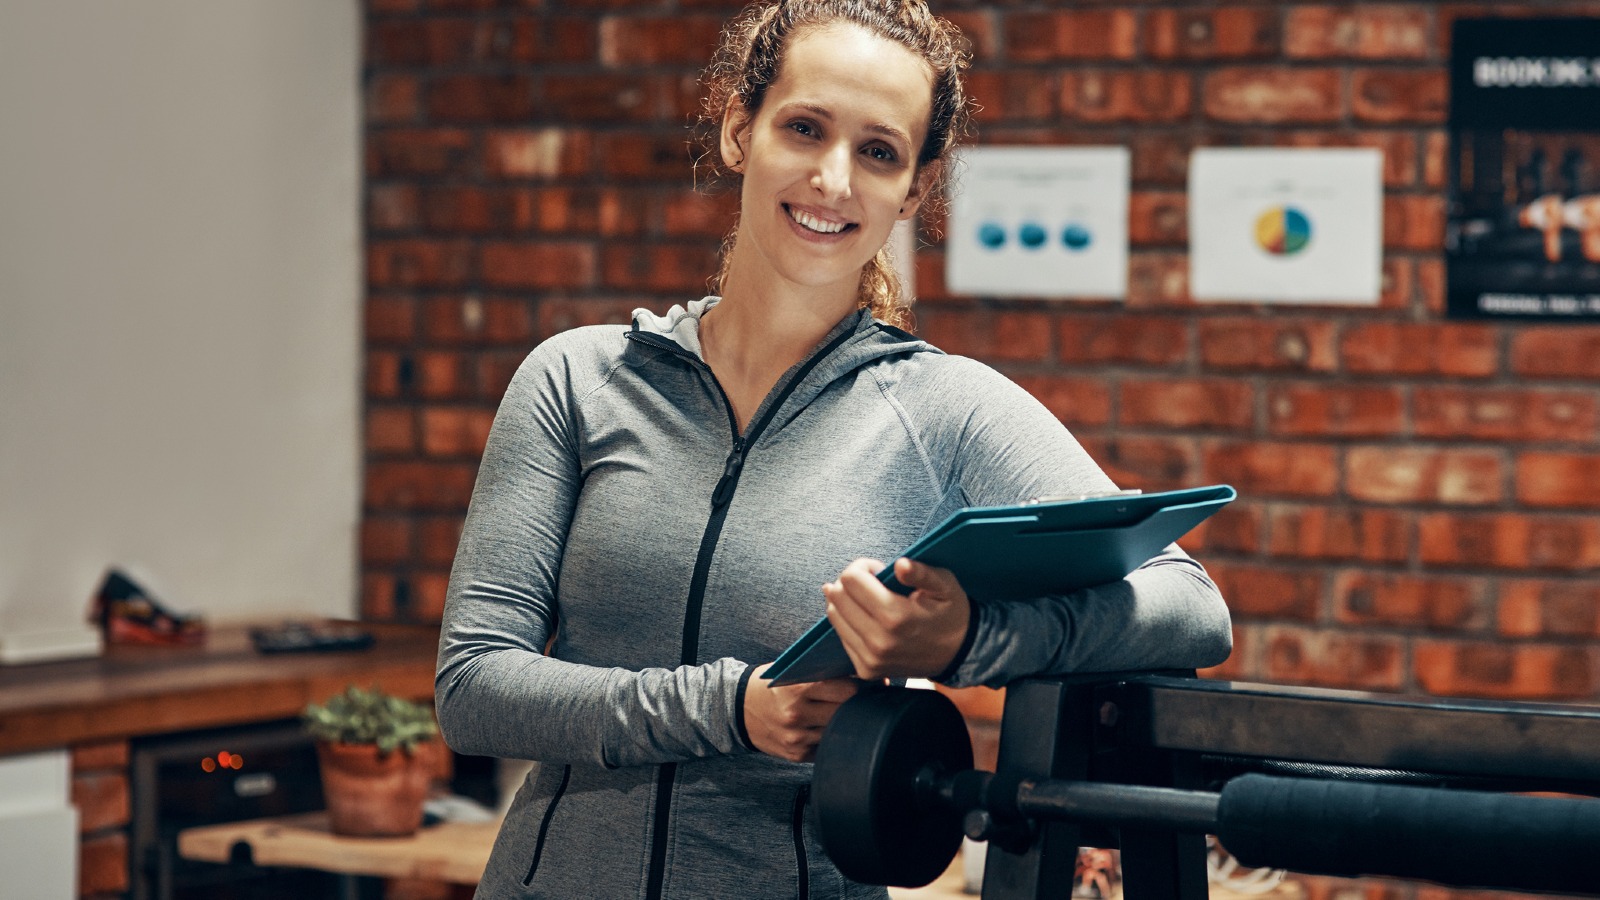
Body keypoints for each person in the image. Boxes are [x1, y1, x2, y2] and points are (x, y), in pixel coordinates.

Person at [434, 1, 1233, 897]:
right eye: (804, 128)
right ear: (741, 131)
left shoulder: (940, 407)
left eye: (879, 152)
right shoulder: (579, 380)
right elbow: (474, 686)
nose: (832, 178)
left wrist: (969, 638)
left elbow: (1191, 606)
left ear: (914, 191)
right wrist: (735, 708)